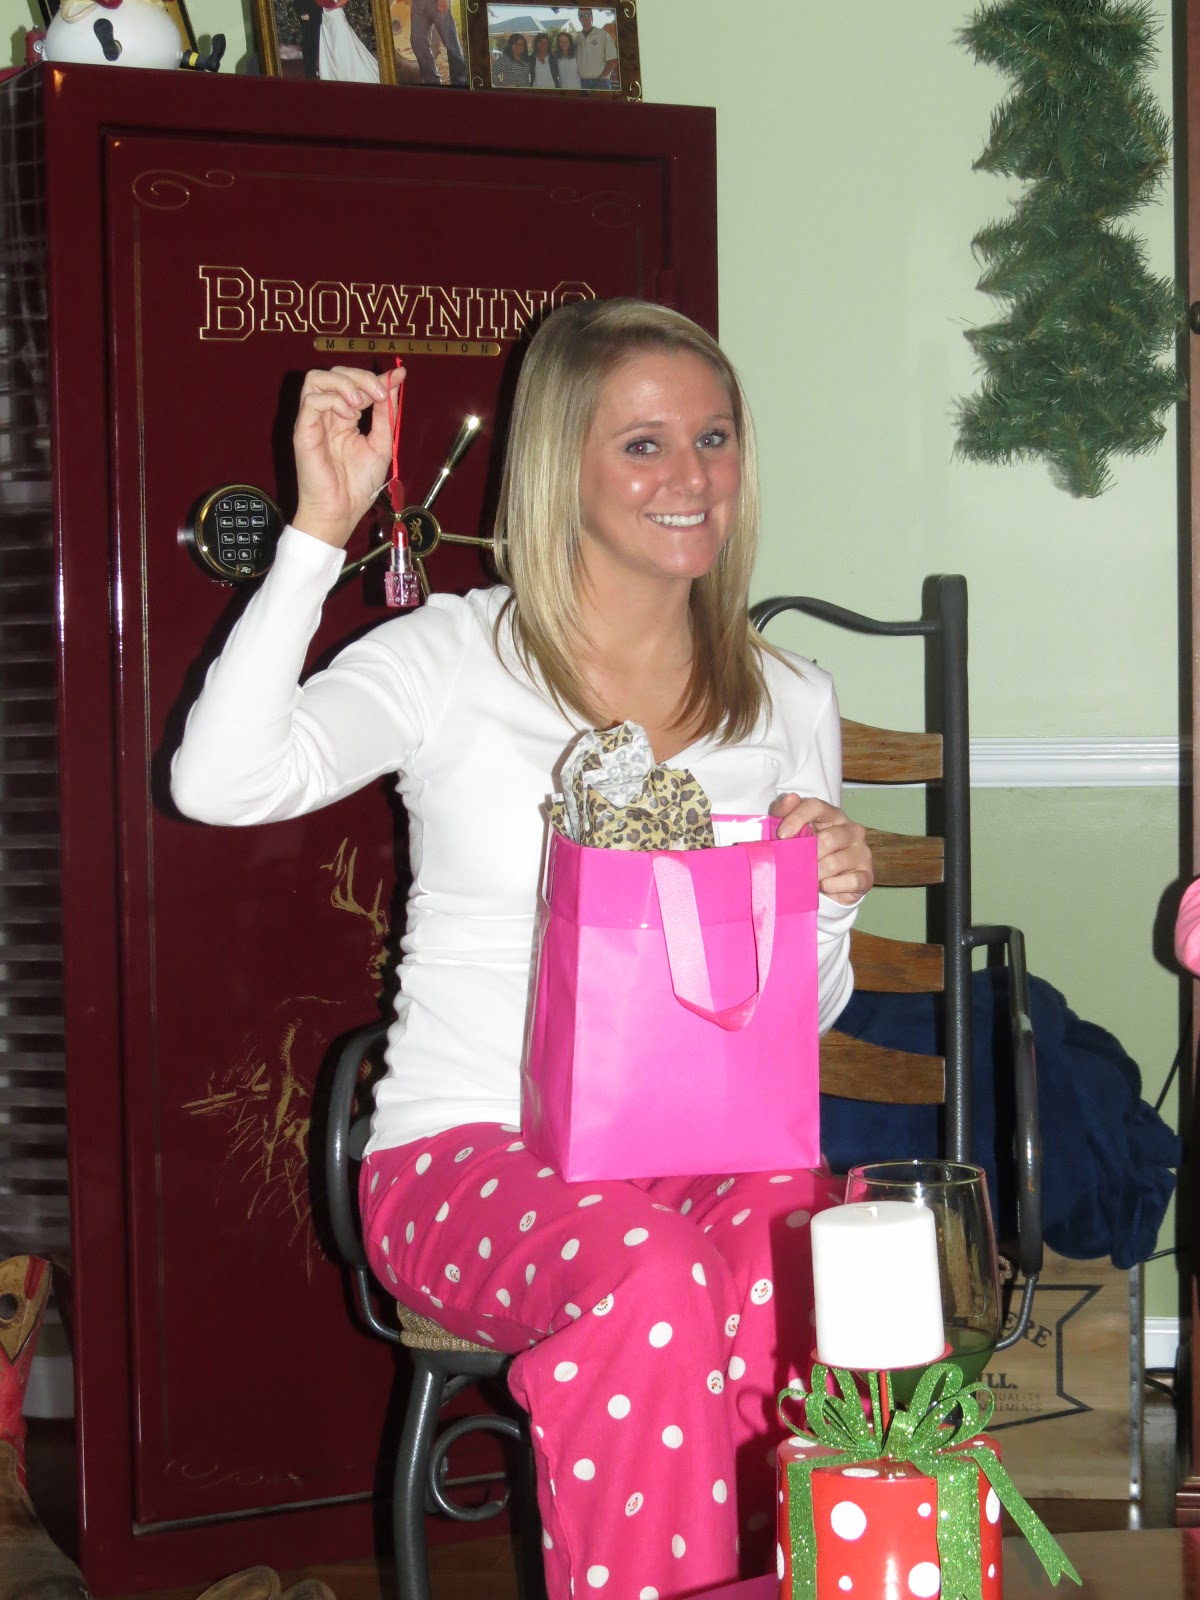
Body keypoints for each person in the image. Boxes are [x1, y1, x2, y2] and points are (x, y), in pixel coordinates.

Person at [170, 299, 873, 1600]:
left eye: (714, 438)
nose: (693, 476)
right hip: (466, 1154)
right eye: (644, 444)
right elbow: (220, 782)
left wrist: (827, 897)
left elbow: (801, 1015)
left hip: (706, 1148)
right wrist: (317, 535)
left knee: (820, 1253)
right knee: (651, 1278)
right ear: (562, 464)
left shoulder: (789, 698)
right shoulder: (454, 655)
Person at [317, 0, 379, 82]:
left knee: (342, 45)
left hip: (336, 15)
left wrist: (335, 6)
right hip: (326, 15)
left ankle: (347, 73)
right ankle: (332, 73)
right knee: (330, 45)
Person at [409, 0, 468, 87]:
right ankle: (432, 82)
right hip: (418, 4)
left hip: (436, 3)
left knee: (451, 42)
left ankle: (460, 82)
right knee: (418, 43)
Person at [576, 5, 617, 89]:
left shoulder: (603, 34)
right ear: (579, 18)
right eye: (581, 15)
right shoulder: (577, 37)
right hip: (583, 82)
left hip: (601, 83)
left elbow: (613, 59)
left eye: (587, 15)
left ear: (592, 17)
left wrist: (603, 76)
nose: (584, 18)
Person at [290, 0, 321, 77]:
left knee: (315, 41)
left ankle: (314, 67)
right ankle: (309, 69)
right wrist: (302, 13)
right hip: (306, 14)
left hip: (317, 13)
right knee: (307, 41)